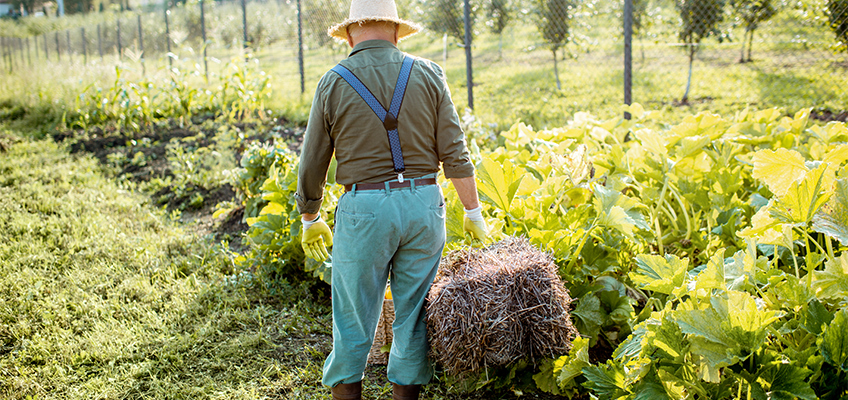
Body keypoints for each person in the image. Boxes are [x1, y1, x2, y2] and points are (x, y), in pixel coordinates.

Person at [293, 0, 489, 399]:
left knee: (352, 320)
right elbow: (455, 151)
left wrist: (310, 216)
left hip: (364, 208)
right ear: (397, 32)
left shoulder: (333, 80)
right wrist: (472, 210)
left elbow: (313, 159)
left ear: (349, 34)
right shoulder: (430, 73)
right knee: (413, 316)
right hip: (423, 205)